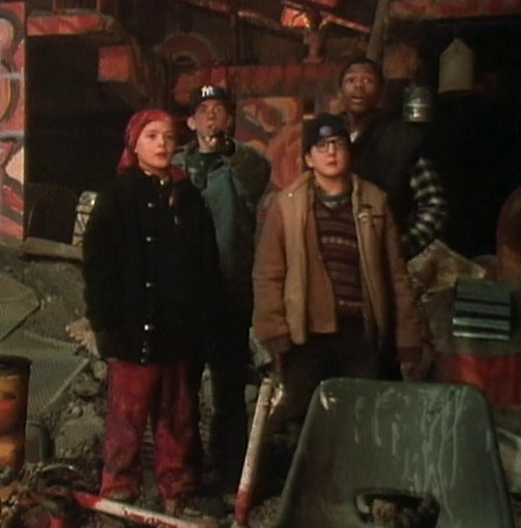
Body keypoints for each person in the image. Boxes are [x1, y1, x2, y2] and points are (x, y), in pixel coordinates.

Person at [82, 108, 220, 524]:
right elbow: (98, 267)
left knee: (178, 418)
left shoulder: (188, 198)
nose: (162, 144)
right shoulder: (116, 197)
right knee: (126, 420)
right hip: (131, 332)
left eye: (168, 137)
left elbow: (206, 266)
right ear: (135, 144)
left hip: (178, 335)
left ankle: (177, 493)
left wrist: (204, 326)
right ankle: (117, 495)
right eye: (152, 136)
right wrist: (104, 324)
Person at [252, 113, 430, 426]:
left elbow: (396, 276)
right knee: (300, 419)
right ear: (309, 158)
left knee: (359, 419)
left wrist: (408, 338)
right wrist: (274, 331)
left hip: (360, 332)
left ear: (349, 151)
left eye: (337, 144)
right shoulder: (287, 206)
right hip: (306, 334)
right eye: (321, 146)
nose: (331, 152)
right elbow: (268, 273)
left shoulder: (375, 203)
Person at [172, 84, 271, 497]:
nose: (212, 116)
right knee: (182, 384)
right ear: (190, 121)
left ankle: (230, 473)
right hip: (182, 294)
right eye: (204, 109)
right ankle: (184, 469)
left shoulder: (244, 165)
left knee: (228, 387)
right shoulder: (175, 165)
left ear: (230, 120)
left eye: (219, 109)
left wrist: (226, 150)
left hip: (229, 292)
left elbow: (256, 178)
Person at [339, 56, 448, 260]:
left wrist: (399, 248)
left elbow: (434, 205)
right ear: (340, 92)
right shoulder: (330, 137)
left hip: (384, 255)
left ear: (380, 93)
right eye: (351, 80)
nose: (359, 86)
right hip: (338, 253)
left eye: (368, 80)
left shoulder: (401, 138)